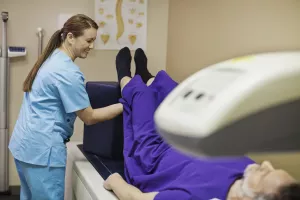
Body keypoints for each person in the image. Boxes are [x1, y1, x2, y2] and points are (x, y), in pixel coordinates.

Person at [103, 47, 300, 200]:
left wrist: (113, 180)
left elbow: (135, 197)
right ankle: (148, 76)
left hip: (155, 152)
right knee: (177, 91)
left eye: (265, 174)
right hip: (192, 138)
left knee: (141, 96)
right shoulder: (246, 175)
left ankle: (125, 76)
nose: (265, 164)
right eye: (271, 168)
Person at [8, 14, 123, 200]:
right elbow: (89, 116)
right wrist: (125, 105)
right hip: (43, 153)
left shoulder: (51, 58)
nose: (92, 46)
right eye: (89, 40)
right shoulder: (67, 72)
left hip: (24, 146)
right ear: (70, 37)